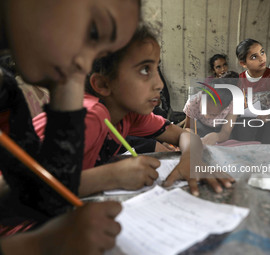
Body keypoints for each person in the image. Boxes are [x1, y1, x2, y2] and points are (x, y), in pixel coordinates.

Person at [0, 0, 140, 253]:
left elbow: (43, 196)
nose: (84, 66)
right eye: (93, 32)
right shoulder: (95, 114)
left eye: (97, 55)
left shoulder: (5, 94)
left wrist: (69, 82)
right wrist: (37, 245)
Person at [34, 25, 235, 197]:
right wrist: (111, 176)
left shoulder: (129, 114)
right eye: (145, 70)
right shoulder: (88, 115)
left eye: (157, 68)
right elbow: (23, 186)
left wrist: (191, 156)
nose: (159, 84)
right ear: (103, 84)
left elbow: (183, 134)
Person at [234, 38, 270, 144]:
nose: (262, 58)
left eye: (262, 52)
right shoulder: (239, 80)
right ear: (243, 63)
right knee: (244, 131)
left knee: (269, 133)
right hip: (248, 121)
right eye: (254, 57)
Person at [183, 74, 239, 145]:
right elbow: (187, 127)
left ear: (225, 108)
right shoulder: (193, 102)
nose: (207, 116)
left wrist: (217, 137)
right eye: (204, 110)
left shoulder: (233, 104)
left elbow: (226, 132)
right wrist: (192, 135)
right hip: (200, 128)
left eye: (213, 114)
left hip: (221, 131)